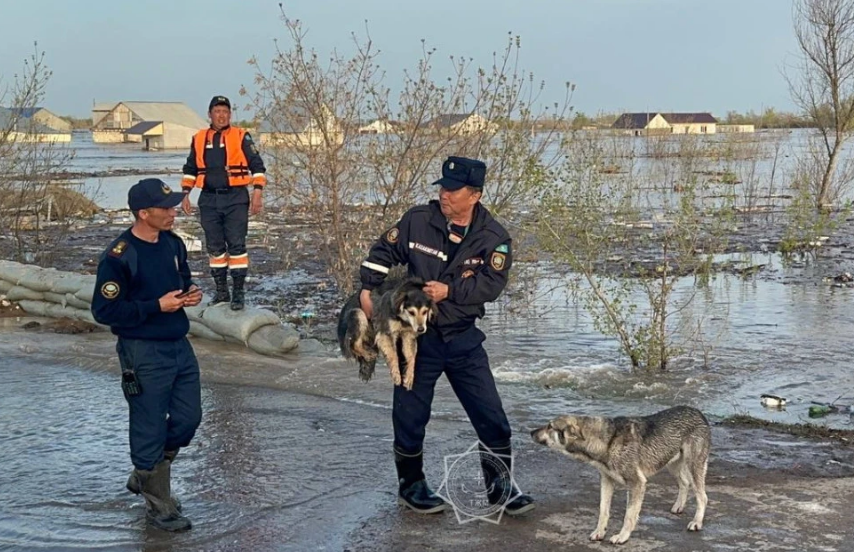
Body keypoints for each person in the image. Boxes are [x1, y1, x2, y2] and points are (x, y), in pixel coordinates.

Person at [358, 156, 535, 516]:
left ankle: (500, 488)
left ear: (475, 195)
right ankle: (411, 486)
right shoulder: (417, 221)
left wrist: (449, 292)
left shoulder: (494, 237)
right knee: (409, 415)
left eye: (453, 190)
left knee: (492, 416)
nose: (445, 195)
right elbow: (381, 252)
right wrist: (366, 290)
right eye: (442, 188)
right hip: (417, 338)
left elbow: (491, 285)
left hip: (461, 336)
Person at [91, 178, 204, 532]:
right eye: (166, 208)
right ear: (144, 213)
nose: (174, 213)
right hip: (142, 350)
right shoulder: (119, 256)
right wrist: (156, 306)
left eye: (173, 206)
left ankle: (145, 474)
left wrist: (190, 294)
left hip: (179, 345)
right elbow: (105, 311)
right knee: (149, 424)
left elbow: (182, 279)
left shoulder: (172, 243)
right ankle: (160, 506)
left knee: (189, 418)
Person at [181, 95, 267, 311]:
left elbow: (257, 166)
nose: (221, 115)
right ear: (210, 114)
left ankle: (238, 293)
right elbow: (190, 169)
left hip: (236, 197)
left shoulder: (241, 136)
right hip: (209, 199)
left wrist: (257, 193)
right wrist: (185, 194)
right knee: (215, 247)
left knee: (237, 246)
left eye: (225, 111)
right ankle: (221, 292)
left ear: (230, 115)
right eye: (217, 111)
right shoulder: (199, 138)